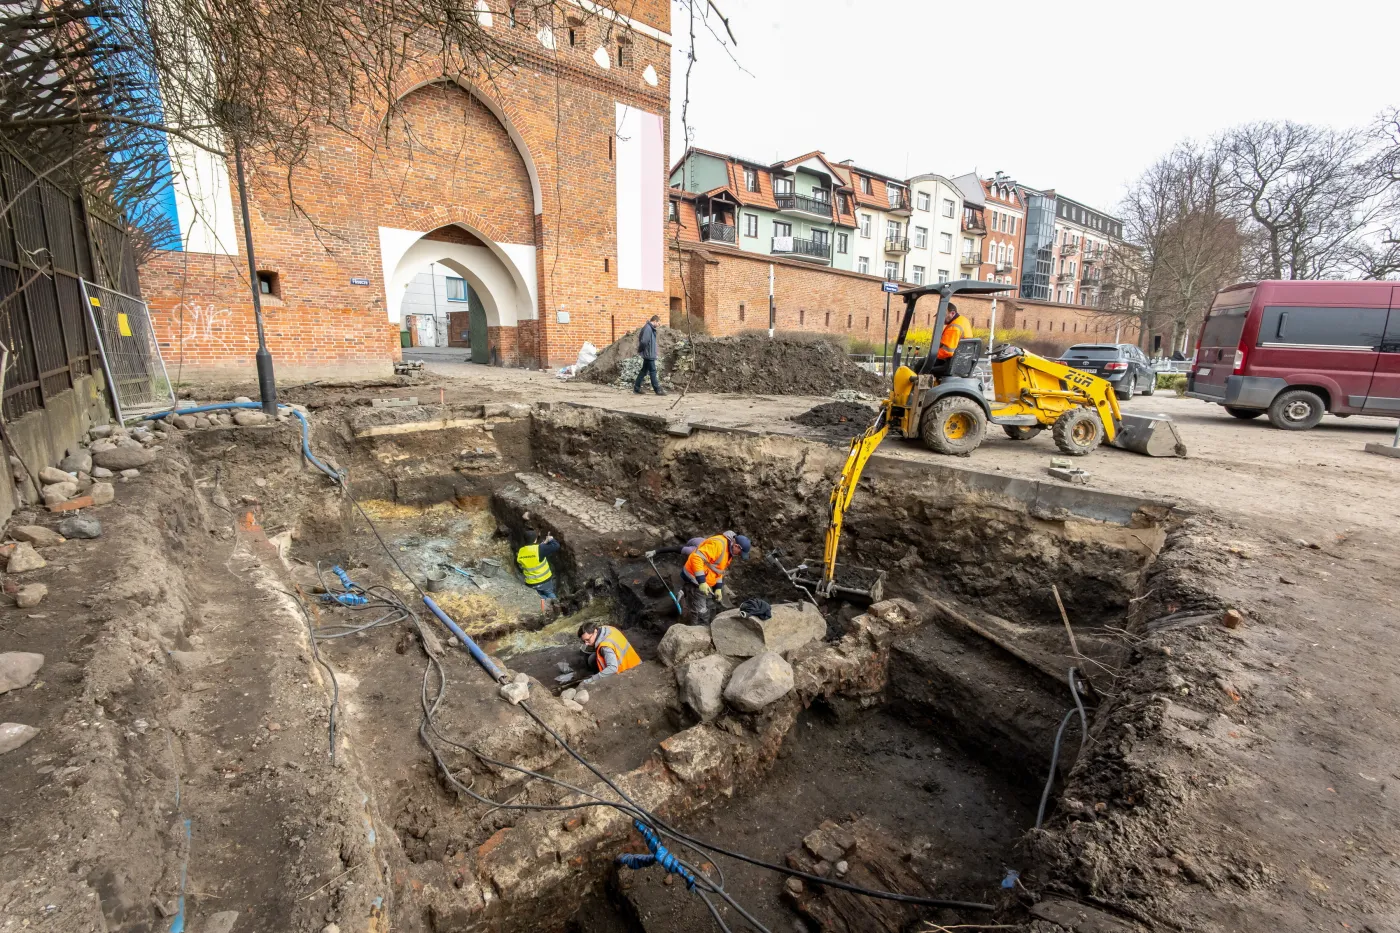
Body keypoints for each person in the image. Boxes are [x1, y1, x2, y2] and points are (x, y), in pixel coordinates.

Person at [648, 531, 750, 625]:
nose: (739, 556)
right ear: (736, 546)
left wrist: (718, 588)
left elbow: (718, 570)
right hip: (696, 578)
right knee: (701, 611)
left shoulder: (728, 551)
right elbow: (687, 553)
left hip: (706, 580)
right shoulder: (713, 546)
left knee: (711, 606)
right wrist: (701, 582)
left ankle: (684, 591)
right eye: (740, 553)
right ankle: (695, 630)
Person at [515, 530, 560, 612]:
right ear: (535, 540)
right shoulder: (540, 549)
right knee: (549, 593)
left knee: (540, 597)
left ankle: (544, 611)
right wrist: (550, 539)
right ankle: (557, 606)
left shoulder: (521, 552)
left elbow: (532, 553)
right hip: (545, 580)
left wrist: (544, 543)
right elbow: (556, 546)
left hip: (531, 583)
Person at [633, 314, 665, 396]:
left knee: (644, 371)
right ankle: (657, 390)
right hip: (649, 354)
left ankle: (636, 388)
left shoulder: (649, 328)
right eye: (658, 323)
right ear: (654, 321)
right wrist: (641, 350)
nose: (658, 325)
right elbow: (644, 341)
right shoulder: (648, 328)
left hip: (649, 353)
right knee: (653, 371)